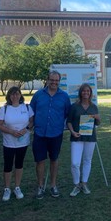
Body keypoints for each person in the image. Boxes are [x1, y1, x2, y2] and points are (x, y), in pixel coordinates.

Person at [30, 71, 71, 199]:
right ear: (47, 80)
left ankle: (53, 185)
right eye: (51, 80)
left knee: (54, 160)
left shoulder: (64, 96)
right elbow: (31, 112)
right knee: (40, 161)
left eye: (56, 80)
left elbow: (66, 113)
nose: (54, 82)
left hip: (56, 133)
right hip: (40, 133)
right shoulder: (38, 95)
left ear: (59, 81)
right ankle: (40, 186)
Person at [0, 87, 34, 201]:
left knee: (19, 164)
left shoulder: (27, 107)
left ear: (20, 95)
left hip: (23, 142)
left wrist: (26, 129)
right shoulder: (5, 108)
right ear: (9, 96)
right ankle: (7, 188)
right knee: (8, 165)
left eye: (17, 94)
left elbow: (32, 121)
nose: (15, 96)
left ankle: (17, 187)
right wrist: (11, 132)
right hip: (9, 142)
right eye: (12, 94)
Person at [67, 83, 101, 197]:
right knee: (75, 163)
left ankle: (84, 183)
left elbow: (98, 122)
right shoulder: (74, 106)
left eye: (88, 91)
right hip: (77, 137)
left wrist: (97, 118)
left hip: (90, 137)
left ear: (90, 93)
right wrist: (72, 131)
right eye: (83, 91)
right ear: (80, 92)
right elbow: (69, 122)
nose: (85, 93)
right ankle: (76, 185)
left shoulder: (93, 106)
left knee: (87, 160)